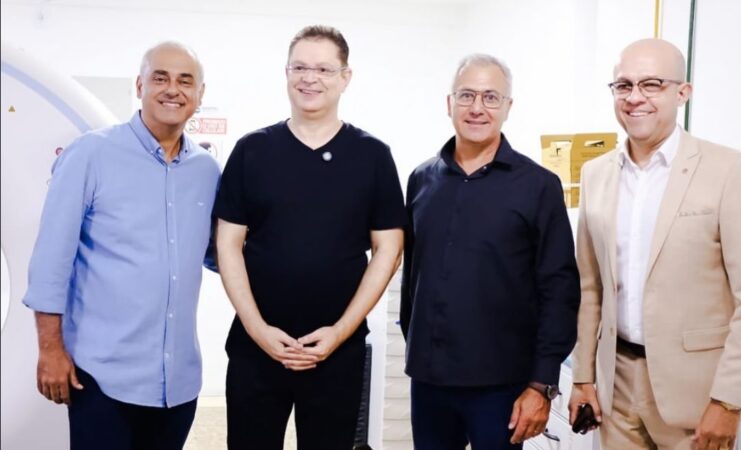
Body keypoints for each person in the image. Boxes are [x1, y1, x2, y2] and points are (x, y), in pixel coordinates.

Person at [567, 38, 741, 450]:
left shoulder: (730, 170)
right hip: (617, 389)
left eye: (651, 85)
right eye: (623, 86)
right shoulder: (596, 176)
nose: (634, 98)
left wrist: (729, 400)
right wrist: (583, 377)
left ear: (682, 93)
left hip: (697, 396)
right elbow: (589, 289)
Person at [213, 25, 405, 450]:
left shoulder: (372, 155)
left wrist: (340, 331)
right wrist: (257, 327)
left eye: (322, 68)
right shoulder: (252, 150)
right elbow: (228, 244)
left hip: (336, 351)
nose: (309, 78)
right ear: (286, 73)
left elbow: (388, 249)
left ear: (345, 77)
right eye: (299, 66)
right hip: (255, 349)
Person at [23, 41, 219, 450]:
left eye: (186, 81)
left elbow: (217, 254)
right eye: (160, 77)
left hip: (178, 383)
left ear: (200, 95)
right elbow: (50, 261)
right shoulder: (91, 153)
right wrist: (50, 350)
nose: (173, 89)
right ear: (139, 85)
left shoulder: (206, 170)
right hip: (102, 377)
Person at [400, 54, 581, 449]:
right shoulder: (421, 180)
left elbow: (560, 289)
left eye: (490, 97)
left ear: (508, 107)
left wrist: (542, 383)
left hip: (503, 389)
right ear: (449, 103)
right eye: (466, 95)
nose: (477, 108)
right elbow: (413, 275)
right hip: (430, 382)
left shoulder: (538, 186)